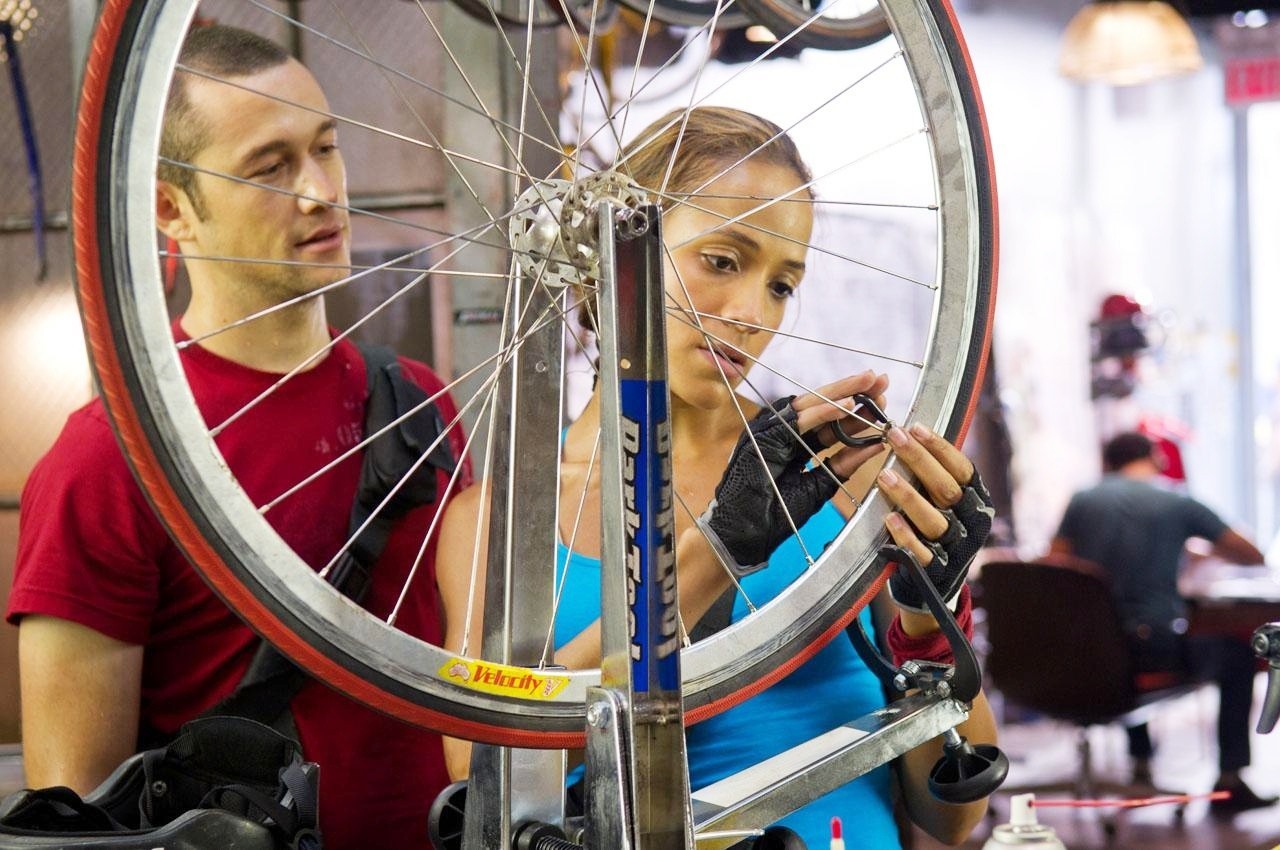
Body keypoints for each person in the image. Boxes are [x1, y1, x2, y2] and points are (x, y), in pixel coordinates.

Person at [437, 106, 997, 848]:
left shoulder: (840, 485)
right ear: (612, 251)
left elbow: (951, 815)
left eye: (782, 284)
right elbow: (490, 781)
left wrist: (932, 619)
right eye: (723, 261)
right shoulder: (496, 525)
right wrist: (719, 553)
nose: (751, 313)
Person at [7, 25, 468, 849]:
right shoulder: (113, 461)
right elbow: (75, 815)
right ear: (170, 209)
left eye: (327, 148)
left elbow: (481, 690)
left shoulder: (420, 402)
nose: (322, 192)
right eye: (270, 166)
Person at [1051, 431, 1274, 814]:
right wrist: (1198, 552)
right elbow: (1250, 553)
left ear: (1107, 463)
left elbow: (1053, 563)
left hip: (1087, 652)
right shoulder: (1175, 501)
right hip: (1150, 647)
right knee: (1236, 656)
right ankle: (1230, 781)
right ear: (1155, 459)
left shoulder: (1082, 500)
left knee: (1117, 636)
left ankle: (1140, 761)